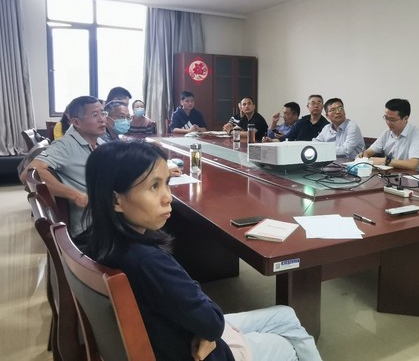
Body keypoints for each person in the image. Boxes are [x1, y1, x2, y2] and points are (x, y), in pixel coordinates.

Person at [82, 141, 322, 361]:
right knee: (288, 345)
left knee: (286, 315)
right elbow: (213, 323)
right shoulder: (149, 262)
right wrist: (206, 328)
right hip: (204, 353)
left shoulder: (96, 242)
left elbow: (203, 319)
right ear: (116, 201)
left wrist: (204, 326)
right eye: (154, 186)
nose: (168, 197)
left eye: (167, 183)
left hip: (179, 333)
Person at [20, 95, 106, 235]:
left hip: (109, 213)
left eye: (103, 113)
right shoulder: (65, 146)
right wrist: (76, 195)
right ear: (76, 122)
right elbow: (28, 173)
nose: (102, 119)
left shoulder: (100, 142)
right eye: (95, 115)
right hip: (93, 226)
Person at [357, 98, 419, 173]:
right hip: (392, 174)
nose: (388, 122)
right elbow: (370, 151)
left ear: (405, 118)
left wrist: (385, 161)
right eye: (386, 118)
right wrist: (364, 155)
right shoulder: (387, 133)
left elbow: (412, 164)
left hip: (414, 176)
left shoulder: (415, 134)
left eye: (392, 119)